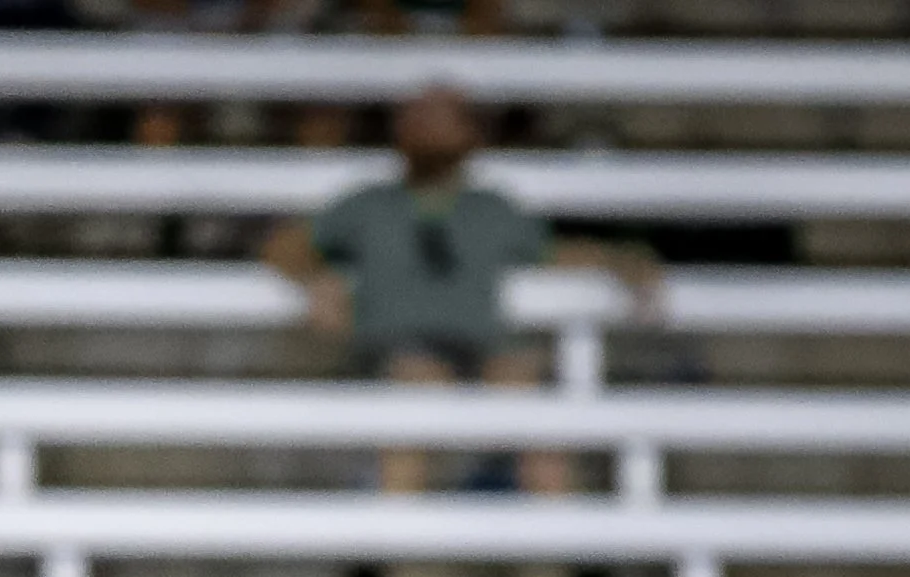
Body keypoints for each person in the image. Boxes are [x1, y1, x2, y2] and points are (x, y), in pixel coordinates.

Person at [268, 88, 660, 500]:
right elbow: (286, 245)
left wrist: (625, 261)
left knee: (527, 386)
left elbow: (553, 251)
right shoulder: (370, 203)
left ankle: (558, 546)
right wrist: (316, 279)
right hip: (392, 351)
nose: (426, 128)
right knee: (417, 381)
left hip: (477, 350)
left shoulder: (490, 208)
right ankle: (403, 543)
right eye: (416, 117)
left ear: (470, 134)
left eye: (441, 119)